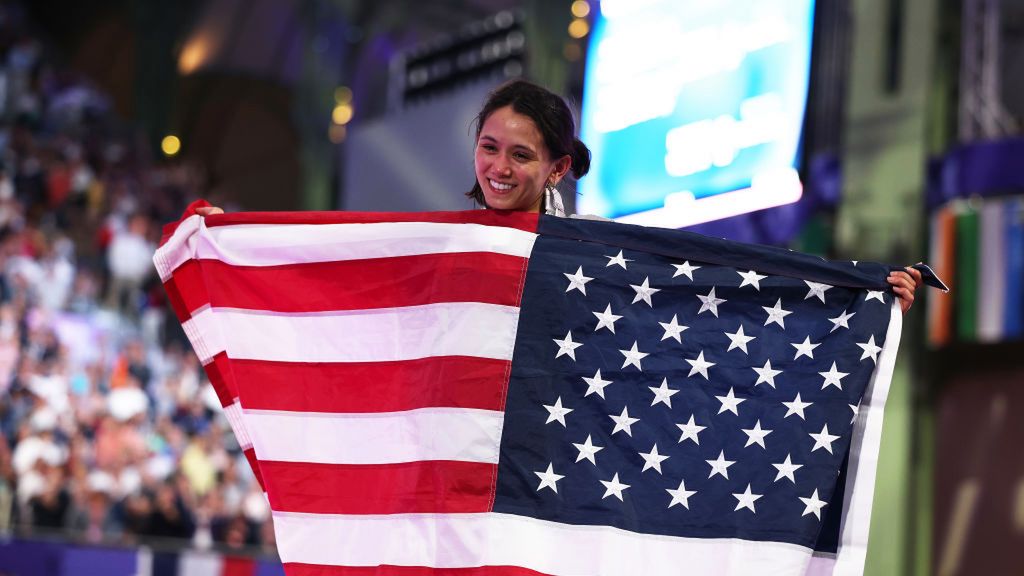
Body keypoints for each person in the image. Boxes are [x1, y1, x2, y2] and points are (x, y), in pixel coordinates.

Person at [195, 79, 922, 310]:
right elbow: (341, 267)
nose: (499, 168)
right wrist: (228, 242)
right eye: (488, 148)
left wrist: (856, 291)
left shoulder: (594, 254)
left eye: (520, 155)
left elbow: (717, 284)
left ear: (556, 169)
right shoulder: (442, 239)